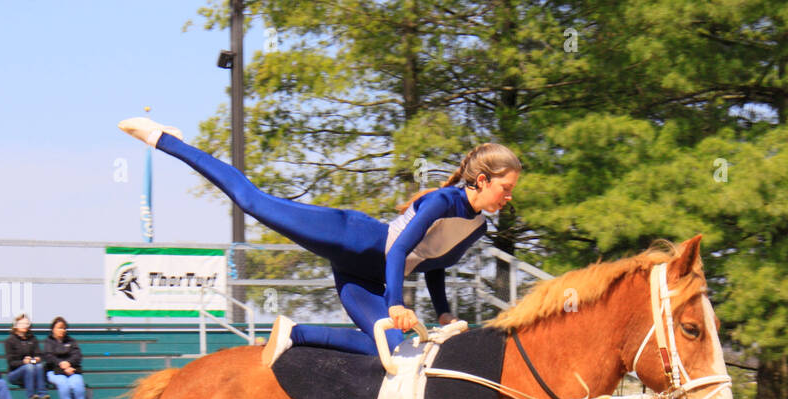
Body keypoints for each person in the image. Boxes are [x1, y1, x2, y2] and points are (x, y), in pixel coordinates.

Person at [118, 117, 521, 364]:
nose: (508, 197)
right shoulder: (443, 200)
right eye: (505, 187)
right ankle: (165, 139)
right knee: (252, 201)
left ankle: (295, 334)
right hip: (355, 240)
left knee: (391, 349)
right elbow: (398, 249)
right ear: (482, 180)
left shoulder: (478, 227)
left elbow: (433, 265)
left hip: (364, 281)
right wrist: (396, 302)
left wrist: (445, 314)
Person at [42, 317, 88, 399]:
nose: (62, 330)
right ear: (53, 329)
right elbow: (48, 357)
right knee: (63, 382)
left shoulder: (71, 341)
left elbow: (77, 355)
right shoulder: (48, 342)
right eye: (59, 328)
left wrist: (69, 363)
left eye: (64, 328)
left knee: (77, 382)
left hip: (71, 370)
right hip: (54, 371)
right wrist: (61, 364)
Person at [4, 314, 48, 399]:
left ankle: (43, 394)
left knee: (39, 366)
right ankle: (31, 395)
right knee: (29, 367)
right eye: (21, 323)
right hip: (15, 374)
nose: (24, 326)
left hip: (32, 368)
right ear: (15, 325)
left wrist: (37, 358)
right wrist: (23, 362)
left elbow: (39, 354)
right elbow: (11, 362)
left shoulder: (32, 339)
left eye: (26, 323)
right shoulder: (10, 341)